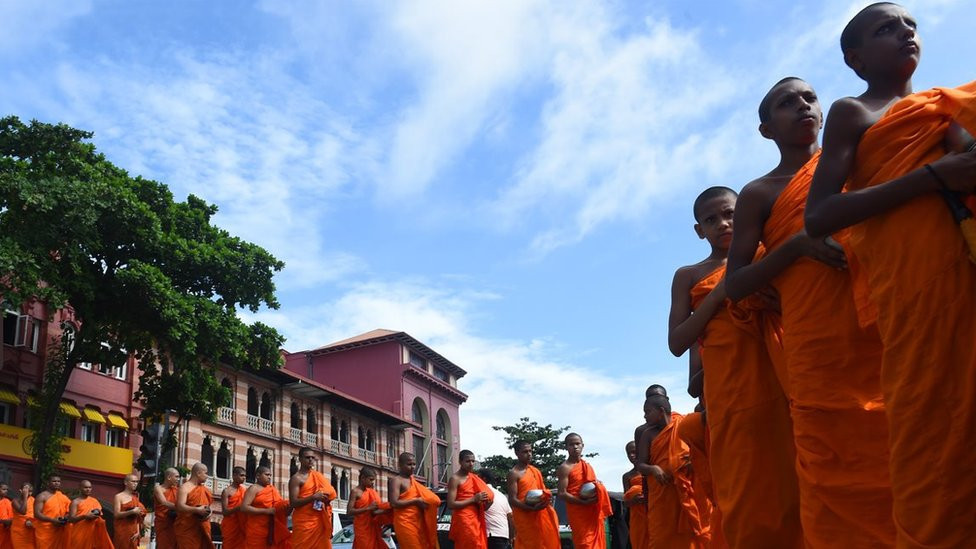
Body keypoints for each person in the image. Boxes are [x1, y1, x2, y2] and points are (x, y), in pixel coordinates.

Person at [803, 5, 976, 546]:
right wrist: (931, 176)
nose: (905, 32)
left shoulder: (939, 111)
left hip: (962, 271)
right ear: (855, 60)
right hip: (914, 288)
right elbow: (819, 216)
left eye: (911, 25)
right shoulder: (853, 111)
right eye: (885, 28)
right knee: (933, 429)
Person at [725, 76, 895, 547]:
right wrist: (796, 246)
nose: (802, 106)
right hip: (816, 341)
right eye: (786, 103)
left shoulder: (858, 156)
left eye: (809, 97)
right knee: (833, 464)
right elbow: (736, 283)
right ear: (766, 129)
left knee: (904, 448)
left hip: (884, 316)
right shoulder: (760, 192)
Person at [668, 186, 802, 547]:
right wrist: (719, 294)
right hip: (729, 395)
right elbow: (677, 342)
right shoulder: (689, 275)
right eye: (711, 220)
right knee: (743, 491)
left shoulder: (764, 253)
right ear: (699, 230)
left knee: (794, 480)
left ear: (743, 212)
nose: (723, 224)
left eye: (729, 214)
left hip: (778, 379)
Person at [636, 395, 708, 549]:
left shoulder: (682, 424)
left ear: (661, 411)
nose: (645, 416)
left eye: (648, 412)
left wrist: (689, 462)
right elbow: (640, 464)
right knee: (660, 539)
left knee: (689, 538)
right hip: (661, 493)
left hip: (683, 490)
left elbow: (697, 451)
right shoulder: (648, 434)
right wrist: (653, 469)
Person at [556, 434, 611, 549]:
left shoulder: (587, 466)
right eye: (571, 444)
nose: (575, 447)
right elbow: (562, 493)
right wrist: (582, 502)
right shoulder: (565, 468)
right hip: (578, 513)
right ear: (566, 447)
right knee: (584, 543)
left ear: (582, 446)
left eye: (577, 444)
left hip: (591, 512)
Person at [506, 441, 560, 549]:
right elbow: (512, 499)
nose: (529, 454)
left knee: (544, 543)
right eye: (525, 451)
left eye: (530, 451)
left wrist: (545, 499)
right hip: (525, 516)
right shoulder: (514, 473)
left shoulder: (535, 471)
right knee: (529, 544)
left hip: (540, 513)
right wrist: (530, 508)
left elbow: (543, 491)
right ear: (517, 453)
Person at [389, 452, 440, 549]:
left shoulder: (415, 482)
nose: (412, 467)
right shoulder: (396, 481)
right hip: (405, 522)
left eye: (414, 464)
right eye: (409, 464)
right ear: (400, 465)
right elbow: (394, 503)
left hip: (419, 522)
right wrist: (415, 501)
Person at [289, 447, 338, 549]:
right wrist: (313, 497)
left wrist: (325, 498)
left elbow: (332, 492)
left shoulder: (318, 476)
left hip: (318, 521)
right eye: (307, 457)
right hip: (304, 523)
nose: (311, 460)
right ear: (300, 459)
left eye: (313, 457)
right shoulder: (296, 479)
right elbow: (293, 503)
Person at [447, 449, 494, 549]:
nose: (471, 464)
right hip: (463, 519)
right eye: (467, 461)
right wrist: (473, 499)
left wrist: (488, 501)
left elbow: (483, 505)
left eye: (473, 461)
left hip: (476, 518)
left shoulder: (474, 478)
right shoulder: (455, 479)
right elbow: (451, 504)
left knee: (478, 544)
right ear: (460, 462)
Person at [242, 466, 291, 549]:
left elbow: (278, 510)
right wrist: (266, 511)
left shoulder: (273, 489)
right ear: (258, 476)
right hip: (256, 529)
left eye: (270, 475)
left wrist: (289, 507)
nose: (269, 477)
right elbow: (244, 508)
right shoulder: (253, 488)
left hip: (271, 528)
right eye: (267, 475)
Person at [349, 466, 391, 549]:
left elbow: (374, 512)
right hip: (362, 529)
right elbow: (349, 511)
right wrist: (367, 508)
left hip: (373, 527)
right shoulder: (355, 491)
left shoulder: (372, 492)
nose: (373, 483)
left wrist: (388, 509)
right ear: (363, 478)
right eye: (371, 480)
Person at [175, 462, 215, 548]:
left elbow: (207, 507)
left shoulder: (204, 490)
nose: (207, 476)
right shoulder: (185, 487)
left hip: (201, 528)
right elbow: (179, 506)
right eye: (206, 473)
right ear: (198, 473)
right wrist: (196, 510)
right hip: (187, 528)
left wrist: (208, 512)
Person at [67, 480, 113, 549]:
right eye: (86, 487)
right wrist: (85, 516)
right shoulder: (75, 502)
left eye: (90, 487)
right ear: (80, 488)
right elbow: (71, 519)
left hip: (91, 533)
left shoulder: (94, 501)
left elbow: (100, 515)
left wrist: (96, 515)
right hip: (79, 534)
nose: (88, 489)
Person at [621, 442, 648, 549]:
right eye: (629, 453)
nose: (632, 455)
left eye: (634, 452)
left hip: (652, 511)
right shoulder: (627, 476)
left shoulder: (650, 470)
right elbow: (626, 502)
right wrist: (635, 500)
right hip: (636, 516)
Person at [478, 470, 514, 549]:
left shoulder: (481, 494)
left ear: (483, 479)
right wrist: (511, 537)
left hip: (491, 535)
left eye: (478, 478)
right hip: (504, 535)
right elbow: (510, 517)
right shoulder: (502, 496)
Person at [33, 475, 70, 549]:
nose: (57, 483)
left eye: (58, 481)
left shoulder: (63, 497)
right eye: (54, 481)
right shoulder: (42, 496)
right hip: (45, 530)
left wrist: (64, 519)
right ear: (48, 483)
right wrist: (52, 520)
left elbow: (69, 511)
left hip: (59, 529)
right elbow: (37, 513)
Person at [112, 474, 147, 549]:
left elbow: (137, 517)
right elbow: (116, 514)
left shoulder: (135, 498)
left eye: (137, 482)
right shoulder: (118, 497)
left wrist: (138, 531)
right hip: (122, 530)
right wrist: (131, 512)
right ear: (126, 482)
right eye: (133, 481)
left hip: (133, 531)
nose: (135, 484)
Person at [220, 466, 247, 549]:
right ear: (234, 475)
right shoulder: (226, 491)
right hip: (230, 524)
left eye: (245, 476)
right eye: (241, 475)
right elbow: (224, 512)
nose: (244, 478)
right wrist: (238, 508)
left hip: (241, 524)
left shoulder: (244, 490)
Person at [154, 468, 180, 549]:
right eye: (176, 477)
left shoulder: (176, 490)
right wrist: (181, 507)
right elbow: (164, 502)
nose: (178, 479)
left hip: (174, 522)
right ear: (169, 477)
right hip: (163, 522)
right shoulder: (158, 488)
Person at [10, 483, 35, 549]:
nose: (28, 493)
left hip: (30, 530)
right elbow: (23, 511)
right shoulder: (15, 501)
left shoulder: (34, 500)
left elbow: (37, 514)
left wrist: (32, 521)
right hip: (18, 531)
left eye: (30, 491)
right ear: (20, 490)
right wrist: (25, 497)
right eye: (26, 490)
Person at [0, 483, 13, 549]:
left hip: (5, 530)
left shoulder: (8, 501)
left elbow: (11, 516)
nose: (6, 491)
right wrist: (2, 521)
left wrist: (8, 522)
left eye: (7, 489)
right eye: (4, 489)